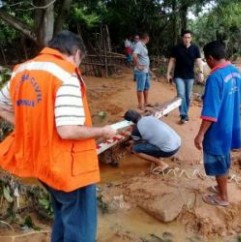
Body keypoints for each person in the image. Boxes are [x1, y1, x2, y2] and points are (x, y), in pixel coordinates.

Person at [0, 31, 116, 242]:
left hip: (42, 163)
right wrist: (103, 131)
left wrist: (31, 126)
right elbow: (68, 130)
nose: (78, 66)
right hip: (69, 167)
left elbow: (1, 105)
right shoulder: (65, 73)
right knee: (80, 229)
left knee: (63, 215)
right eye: (80, 61)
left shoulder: (22, 70)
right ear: (76, 53)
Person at [194, 41, 241, 207]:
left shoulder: (215, 78)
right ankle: (220, 187)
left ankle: (223, 197)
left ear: (210, 58)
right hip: (231, 125)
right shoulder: (237, 73)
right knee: (224, 157)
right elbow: (238, 100)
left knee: (218, 160)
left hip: (218, 130)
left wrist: (200, 134)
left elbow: (210, 113)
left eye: (206, 60)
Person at [167, 30, 204, 124]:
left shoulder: (195, 48)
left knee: (187, 96)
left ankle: (185, 112)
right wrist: (168, 73)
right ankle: (183, 115)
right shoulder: (176, 48)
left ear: (191, 38)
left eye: (189, 37)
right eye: (185, 37)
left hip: (190, 76)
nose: (187, 39)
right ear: (182, 38)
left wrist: (201, 72)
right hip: (178, 75)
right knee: (181, 94)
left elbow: (199, 61)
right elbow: (171, 60)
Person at [132, 33, 151, 110]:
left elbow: (143, 57)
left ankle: (146, 102)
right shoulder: (139, 45)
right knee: (140, 88)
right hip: (141, 71)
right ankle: (140, 104)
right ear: (146, 38)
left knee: (146, 87)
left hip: (145, 70)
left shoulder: (143, 45)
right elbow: (134, 55)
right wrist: (138, 65)